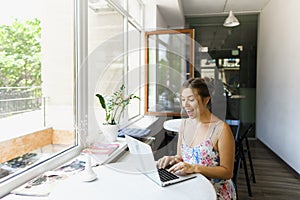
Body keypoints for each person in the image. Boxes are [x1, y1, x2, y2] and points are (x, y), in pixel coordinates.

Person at [157, 77, 236, 200]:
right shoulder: (184, 125)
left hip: (215, 192)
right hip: (190, 186)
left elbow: (227, 172)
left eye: (191, 100)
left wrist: (194, 168)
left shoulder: (221, 129)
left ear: (206, 100)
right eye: (183, 100)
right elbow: (180, 157)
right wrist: (171, 159)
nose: (185, 105)